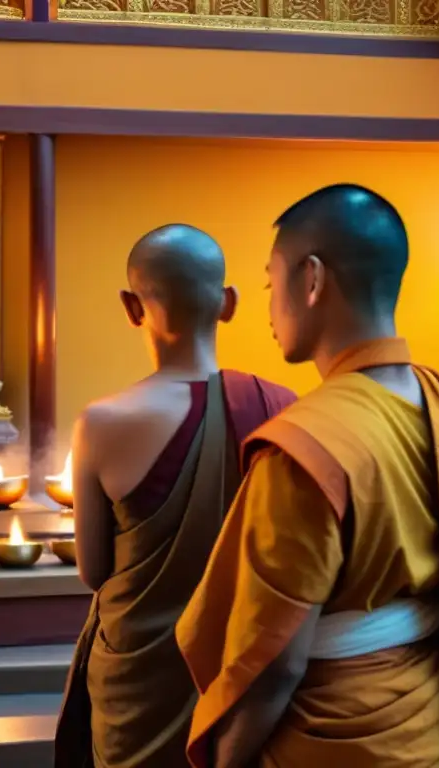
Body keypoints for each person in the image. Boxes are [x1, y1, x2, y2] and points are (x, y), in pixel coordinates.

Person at [175, 184, 439, 767]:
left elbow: (274, 664)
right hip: (436, 720)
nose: (268, 306)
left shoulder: (305, 445)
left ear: (311, 280)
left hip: (330, 739)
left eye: (272, 283)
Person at [53, 224, 295, 768]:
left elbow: (94, 572)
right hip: (242, 673)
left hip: (138, 680)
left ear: (130, 307)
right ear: (228, 304)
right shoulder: (280, 407)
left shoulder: (101, 422)